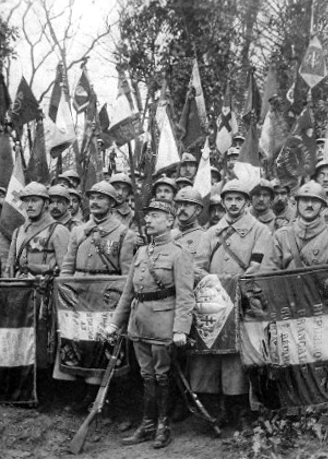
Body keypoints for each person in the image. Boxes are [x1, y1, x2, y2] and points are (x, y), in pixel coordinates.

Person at [104, 200, 195, 449]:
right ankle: (146, 425)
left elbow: (186, 296)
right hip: (139, 324)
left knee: (162, 376)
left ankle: (163, 426)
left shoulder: (179, 253)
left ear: (170, 220)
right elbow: (128, 293)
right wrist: (115, 323)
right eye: (148, 216)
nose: (148, 220)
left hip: (164, 325)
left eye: (155, 216)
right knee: (146, 376)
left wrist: (180, 329)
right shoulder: (142, 252)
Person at [191, 180, 272, 428]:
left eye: (239, 199)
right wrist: (214, 284)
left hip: (245, 301)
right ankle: (216, 410)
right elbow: (197, 266)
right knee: (211, 356)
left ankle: (240, 411)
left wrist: (235, 286)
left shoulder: (260, 231)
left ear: (247, 202)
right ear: (223, 202)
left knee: (239, 358)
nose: (234, 203)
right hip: (215, 303)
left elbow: (259, 266)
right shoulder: (210, 233)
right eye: (229, 199)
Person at [58, 181, 137, 407]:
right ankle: (82, 395)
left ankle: (107, 398)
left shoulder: (124, 234)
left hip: (107, 299)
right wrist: (65, 289)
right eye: (92, 197)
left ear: (112, 203)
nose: (94, 202)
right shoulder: (78, 231)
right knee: (80, 342)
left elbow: (126, 275)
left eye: (101, 198)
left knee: (105, 346)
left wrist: (119, 303)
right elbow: (67, 266)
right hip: (78, 296)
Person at [261, 181, 328, 271]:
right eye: (305, 200)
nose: (309, 205)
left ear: (323, 207)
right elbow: (268, 271)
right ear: (297, 204)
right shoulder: (281, 236)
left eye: (315, 201)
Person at [6, 182, 70, 278]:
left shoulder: (58, 231)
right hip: (20, 288)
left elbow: (65, 271)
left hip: (46, 288)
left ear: (46, 203)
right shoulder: (19, 231)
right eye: (26, 201)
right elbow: (10, 267)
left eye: (34, 200)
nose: (29, 205)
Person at [172, 187, 205, 257]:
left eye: (187, 205)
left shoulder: (205, 238)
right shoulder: (169, 235)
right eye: (179, 205)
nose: (181, 209)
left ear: (198, 210)